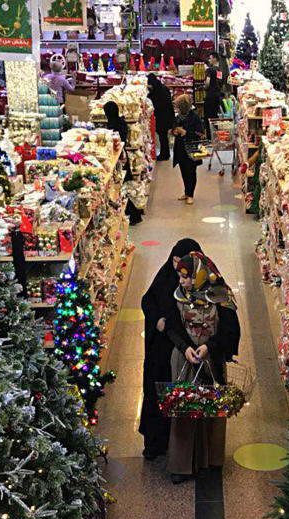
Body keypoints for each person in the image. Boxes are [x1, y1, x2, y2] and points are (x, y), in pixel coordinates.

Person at [165, 251, 240, 483]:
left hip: (211, 359)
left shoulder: (221, 296)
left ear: (200, 275)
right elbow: (172, 326)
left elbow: (230, 331)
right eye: (180, 277)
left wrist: (209, 347)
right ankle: (181, 464)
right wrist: (185, 347)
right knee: (183, 407)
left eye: (186, 277)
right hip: (185, 358)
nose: (182, 282)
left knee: (212, 407)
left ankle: (212, 459)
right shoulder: (179, 295)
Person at [139, 238, 204, 460]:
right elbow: (147, 300)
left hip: (187, 351)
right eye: (174, 261)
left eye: (181, 263)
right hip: (162, 349)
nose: (177, 269)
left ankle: (182, 448)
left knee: (183, 396)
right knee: (156, 391)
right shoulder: (165, 276)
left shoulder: (203, 282)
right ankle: (155, 442)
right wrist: (156, 319)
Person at [103, 101, 144, 225]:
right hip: (124, 157)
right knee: (127, 188)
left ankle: (134, 214)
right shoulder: (122, 121)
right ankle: (135, 212)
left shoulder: (112, 126)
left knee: (123, 188)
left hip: (119, 160)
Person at [172, 94, 205, 205]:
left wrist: (186, 133)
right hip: (180, 147)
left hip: (191, 148)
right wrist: (175, 131)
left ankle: (191, 194)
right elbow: (174, 127)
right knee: (183, 171)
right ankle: (186, 192)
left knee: (191, 171)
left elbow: (200, 133)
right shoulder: (179, 116)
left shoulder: (194, 117)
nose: (177, 108)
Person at [147, 73, 174, 161]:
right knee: (164, 135)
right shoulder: (163, 88)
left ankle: (164, 154)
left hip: (162, 117)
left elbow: (155, 103)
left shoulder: (156, 91)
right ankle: (165, 153)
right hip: (167, 115)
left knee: (162, 136)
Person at [203, 53, 223, 138]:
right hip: (217, 97)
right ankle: (215, 137)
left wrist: (204, 87)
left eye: (210, 58)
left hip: (210, 96)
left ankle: (209, 138)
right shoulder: (220, 71)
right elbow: (220, 83)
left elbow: (207, 83)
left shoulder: (210, 70)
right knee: (215, 117)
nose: (209, 60)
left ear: (215, 59)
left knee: (208, 117)